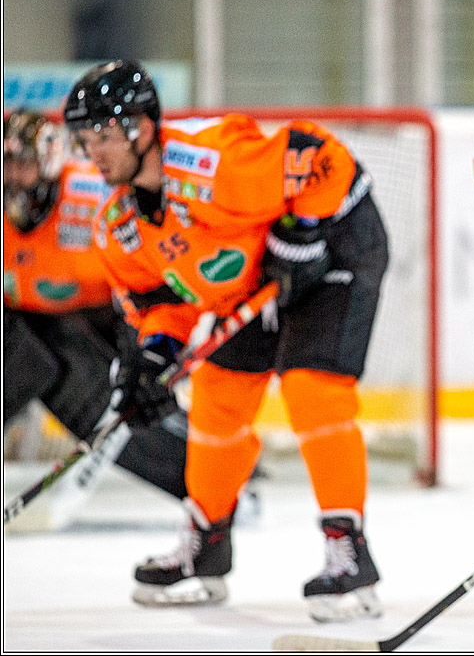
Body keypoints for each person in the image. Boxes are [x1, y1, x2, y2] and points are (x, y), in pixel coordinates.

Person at [64, 60, 389, 621]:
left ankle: (348, 552)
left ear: (141, 129)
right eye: (84, 140)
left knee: (311, 388)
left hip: (337, 242)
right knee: (216, 401)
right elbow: (162, 304)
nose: (92, 152)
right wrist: (152, 358)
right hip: (259, 273)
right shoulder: (118, 225)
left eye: (102, 136)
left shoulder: (212, 167)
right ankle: (206, 546)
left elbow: (320, 157)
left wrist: (300, 235)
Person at [3, 108, 189, 515]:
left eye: (21, 163)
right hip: (37, 327)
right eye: (5, 164)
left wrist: (148, 348)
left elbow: (147, 270)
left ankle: (207, 474)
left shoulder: (91, 196)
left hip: (115, 315)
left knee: (124, 398)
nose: (11, 176)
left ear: (49, 161)